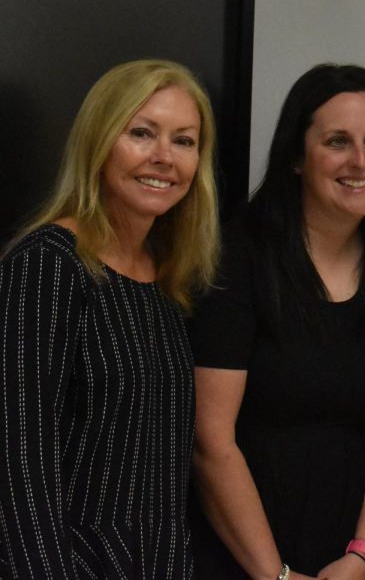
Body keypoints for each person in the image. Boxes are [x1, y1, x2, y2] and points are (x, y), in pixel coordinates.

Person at [0, 59, 220, 578]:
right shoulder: (48, 264)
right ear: (99, 144)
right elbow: (18, 461)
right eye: (142, 133)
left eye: (184, 141)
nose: (164, 157)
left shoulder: (163, 280)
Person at [189, 65, 365, 580]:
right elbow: (210, 441)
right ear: (295, 155)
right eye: (338, 141)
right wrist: (277, 576)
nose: (360, 161)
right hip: (237, 555)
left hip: (344, 561)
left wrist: (363, 555)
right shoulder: (234, 256)